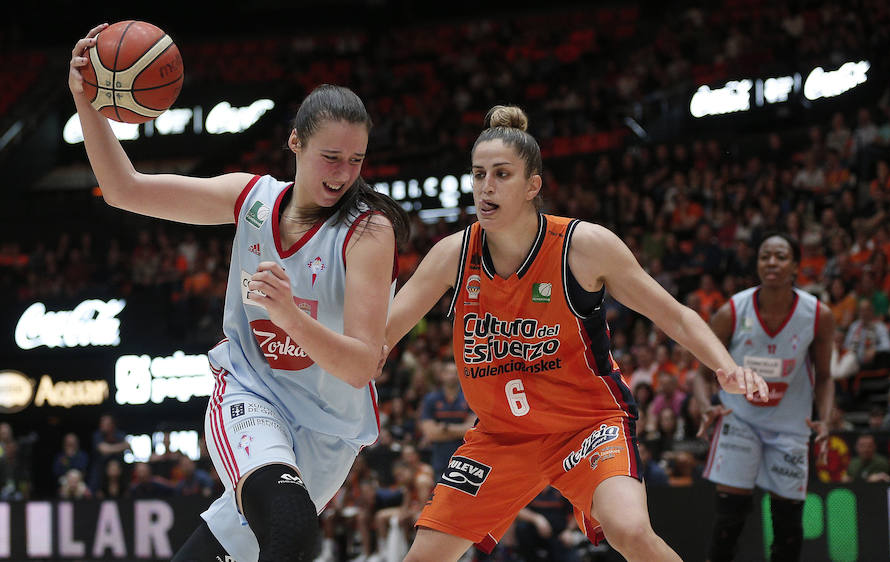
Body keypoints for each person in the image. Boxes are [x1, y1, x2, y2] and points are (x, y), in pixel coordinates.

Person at [69, 24, 409, 562]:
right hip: (253, 395)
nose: (344, 174)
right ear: (295, 143)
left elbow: (362, 366)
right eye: (330, 157)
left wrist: (288, 314)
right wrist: (85, 103)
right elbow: (124, 189)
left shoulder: (368, 231)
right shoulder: (249, 199)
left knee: (244, 545)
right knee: (292, 530)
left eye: (356, 161)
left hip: (331, 428)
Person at [383, 106, 767, 562]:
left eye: (502, 174)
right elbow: (381, 336)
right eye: (478, 173)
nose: (486, 186)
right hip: (502, 436)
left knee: (630, 530)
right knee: (423, 556)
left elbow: (676, 315)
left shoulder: (582, 247)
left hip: (586, 424)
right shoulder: (452, 255)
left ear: (533, 186)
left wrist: (725, 367)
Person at [694, 232, 835, 562]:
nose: (772, 262)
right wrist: (705, 406)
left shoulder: (818, 315)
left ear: (796, 266)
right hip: (739, 419)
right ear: (757, 264)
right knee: (730, 517)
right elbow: (701, 374)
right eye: (765, 256)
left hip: (791, 425)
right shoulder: (731, 311)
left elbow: (826, 377)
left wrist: (825, 420)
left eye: (781, 256)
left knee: (788, 527)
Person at [419, 357, 477, 480]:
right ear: (442, 375)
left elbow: (473, 429)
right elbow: (430, 433)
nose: (452, 376)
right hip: (440, 456)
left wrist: (444, 428)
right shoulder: (431, 399)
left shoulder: (470, 397)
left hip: (466, 456)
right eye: (448, 372)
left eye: (455, 373)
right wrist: (460, 430)